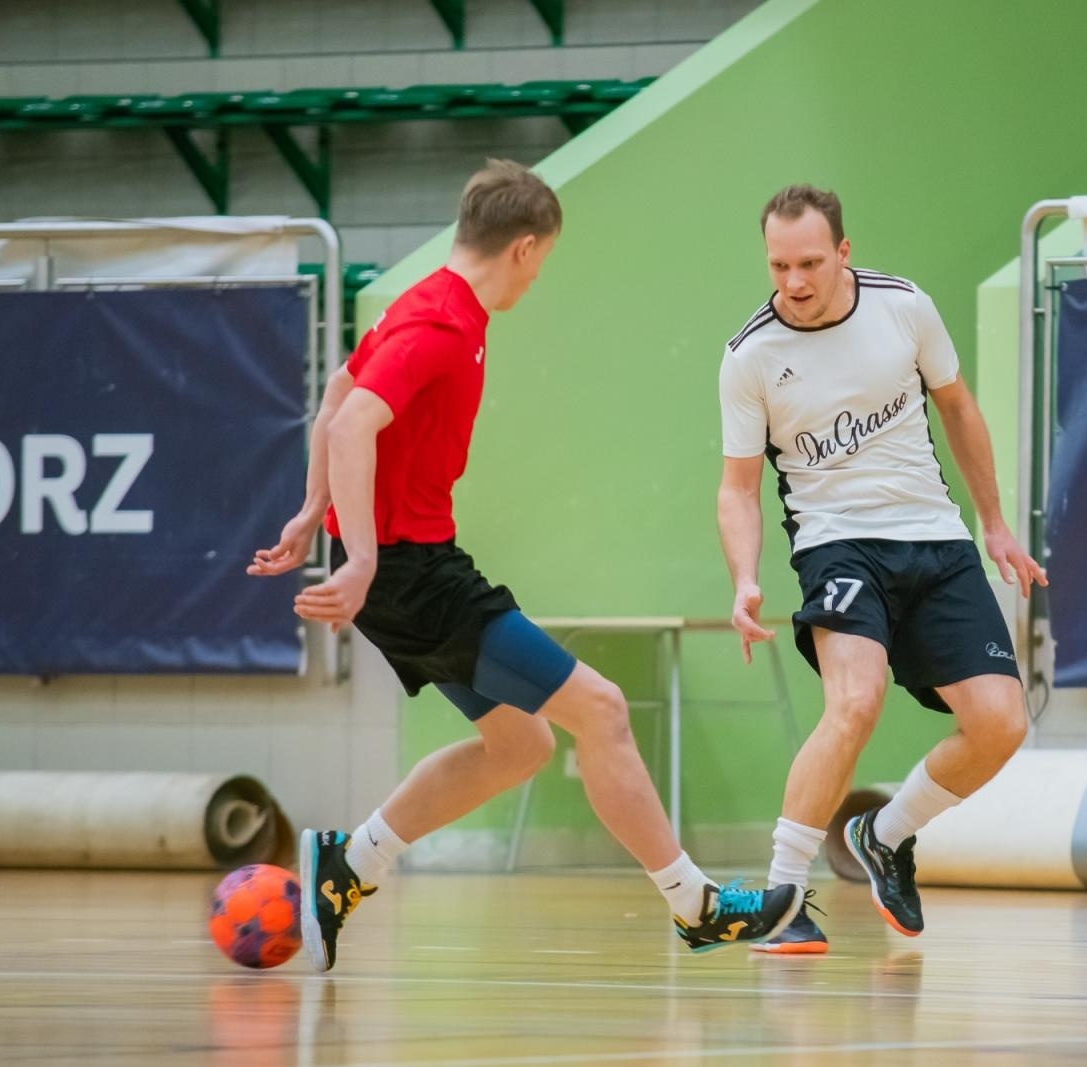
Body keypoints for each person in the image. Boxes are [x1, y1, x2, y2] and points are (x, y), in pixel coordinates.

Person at [250, 160, 800, 973]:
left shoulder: (425, 300)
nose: (536, 278)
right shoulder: (443, 322)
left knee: (519, 745)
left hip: (412, 565)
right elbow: (352, 423)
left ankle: (349, 863)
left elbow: (336, 392)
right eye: (541, 262)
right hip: (410, 572)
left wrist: (311, 514)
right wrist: (358, 554)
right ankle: (697, 905)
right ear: (525, 247)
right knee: (603, 709)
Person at [715, 184, 1046, 954]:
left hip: (934, 538)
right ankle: (782, 898)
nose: (793, 281)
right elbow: (737, 488)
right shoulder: (751, 355)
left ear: (843, 251)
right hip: (837, 544)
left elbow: (958, 408)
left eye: (808, 263)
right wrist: (745, 578)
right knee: (855, 701)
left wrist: (994, 523)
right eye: (778, 265)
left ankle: (884, 832)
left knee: (1001, 724)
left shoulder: (904, 307)